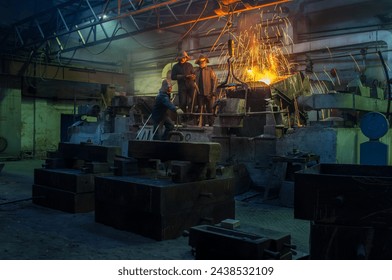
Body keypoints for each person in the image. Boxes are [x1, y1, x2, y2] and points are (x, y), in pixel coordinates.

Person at [194, 54, 217, 126]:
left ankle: (211, 123)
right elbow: (194, 82)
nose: (202, 64)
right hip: (200, 94)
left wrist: (213, 92)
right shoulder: (196, 71)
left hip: (209, 93)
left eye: (203, 62)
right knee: (201, 109)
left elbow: (215, 81)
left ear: (205, 62)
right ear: (198, 63)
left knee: (210, 109)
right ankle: (202, 123)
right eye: (200, 63)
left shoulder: (210, 71)